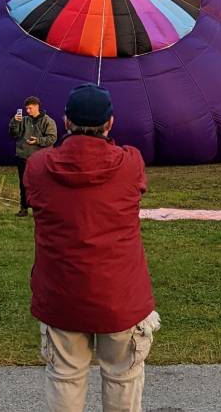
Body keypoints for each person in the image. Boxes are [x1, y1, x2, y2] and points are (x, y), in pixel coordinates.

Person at [26, 84, 159, 412]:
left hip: (62, 295)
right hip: (120, 296)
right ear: (110, 123)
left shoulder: (39, 166)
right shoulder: (130, 163)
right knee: (123, 378)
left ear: (66, 121)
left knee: (65, 378)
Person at [9, 97, 57, 217]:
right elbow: (14, 134)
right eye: (26, 108)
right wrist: (14, 122)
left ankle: (41, 209)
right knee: (23, 183)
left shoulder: (48, 121)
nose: (28, 111)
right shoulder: (23, 120)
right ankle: (24, 208)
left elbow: (52, 138)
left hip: (41, 159)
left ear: (37, 107)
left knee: (41, 184)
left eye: (30, 108)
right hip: (24, 157)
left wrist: (38, 140)